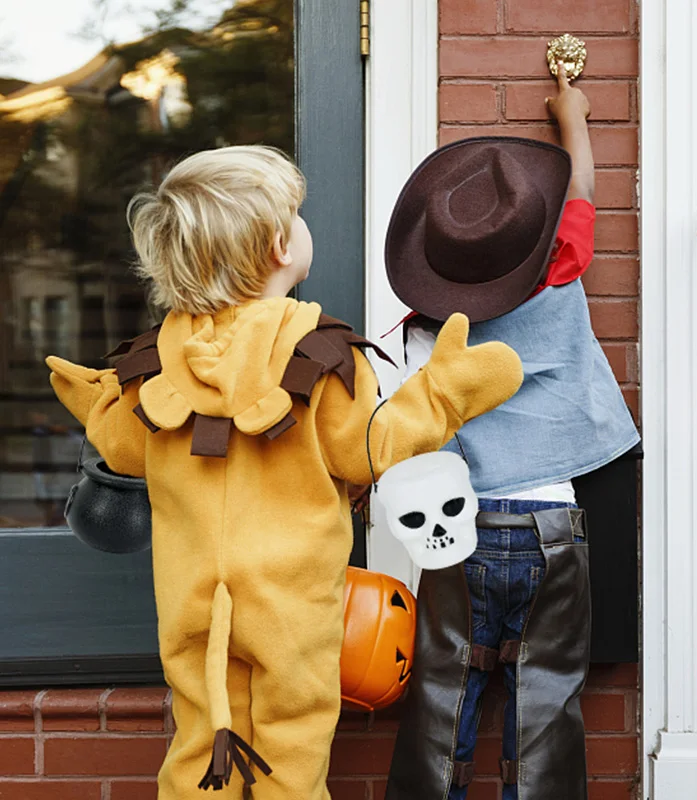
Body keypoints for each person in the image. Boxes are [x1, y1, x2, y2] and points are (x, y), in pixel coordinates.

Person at [45, 145, 524, 800]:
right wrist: (444, 391)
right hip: (291, 607)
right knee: (291, 747)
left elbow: (126, 449)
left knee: (202, 743)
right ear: (279, 245)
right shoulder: (318, 353)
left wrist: (95, 401)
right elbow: (369, 449)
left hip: (192, 603)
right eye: (297, 215)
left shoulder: (154, 361)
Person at [384, 64, 640, 800]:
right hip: (552, 526)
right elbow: (581, 190)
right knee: (547, 694)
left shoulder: (425, 328)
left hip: (456, 530)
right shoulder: (562, 269)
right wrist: (573, 115)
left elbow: (407, 426)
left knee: (443, 689)